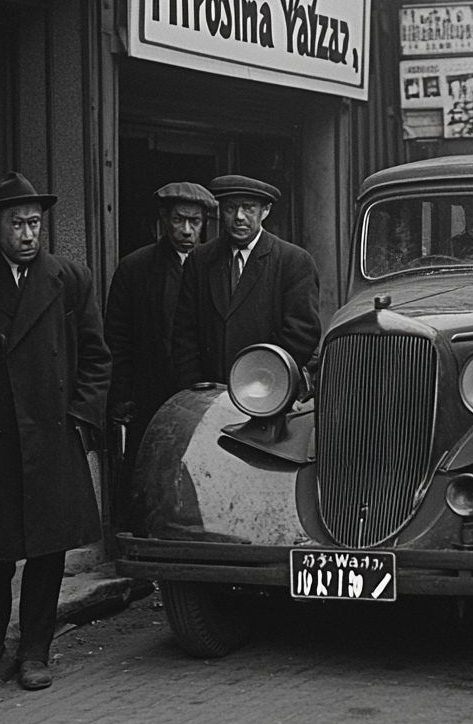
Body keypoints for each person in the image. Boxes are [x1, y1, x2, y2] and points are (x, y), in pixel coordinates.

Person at [0, 172, 110, 691]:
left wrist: (79, 419)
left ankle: (35, 649)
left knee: (48, 552)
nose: (29, 234)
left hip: (52, 437)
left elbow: (97, 358)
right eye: (18, 224)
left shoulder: (70, 278)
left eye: (34, 223)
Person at [104, 182, 217, 496]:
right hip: (151, 393)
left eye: (194, 222)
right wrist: (122, 394)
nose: (186, 230)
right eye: (179, 220)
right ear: (164, 219)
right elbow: (118, 337)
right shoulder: (135, 268)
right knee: (150, 479)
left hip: (203, 391)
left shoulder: (216, 266)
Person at [171, 174, 321, 387]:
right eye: (230, 208)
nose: (239, 217)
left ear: (265, 211)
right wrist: (197, 386)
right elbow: (184, 333)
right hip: (209, 394)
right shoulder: (200, 260)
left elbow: (302, 334)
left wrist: (259, 380)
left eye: (248, 208)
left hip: (268, 392)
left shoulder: (293, 261)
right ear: (220, 211)